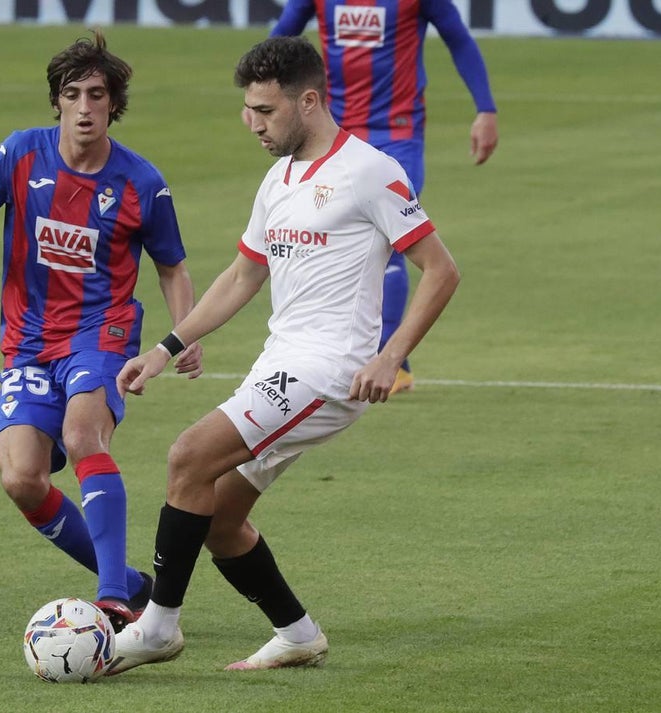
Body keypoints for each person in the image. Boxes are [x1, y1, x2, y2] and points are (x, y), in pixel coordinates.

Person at [106, 36, 460, 674]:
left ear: (309, 101)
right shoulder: (280, 177)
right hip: (280, 364)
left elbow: (440, 270)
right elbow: (243, 276)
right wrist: (166, 347)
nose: (253, 124)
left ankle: (157, 627)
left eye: (265, 111)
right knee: (218, 517)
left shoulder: (370, 171)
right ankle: (298, 634)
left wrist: (392, 354)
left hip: (325, 373)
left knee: (187, 457)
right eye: (249, 109)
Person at [0, 29, 203, 632]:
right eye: (73, 93)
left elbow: (172, 266)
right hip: (26, 342)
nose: (85, 107)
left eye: (97, 95)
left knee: (84, 436)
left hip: (100, 336)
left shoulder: (141, 182)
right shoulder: (19, 154)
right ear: (57, 100)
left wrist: (184, 335)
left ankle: (112, 598)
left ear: (113, 104)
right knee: (22, 479)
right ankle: (133, 583)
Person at [272, 0, 496, 393]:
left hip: (397, 133)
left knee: (390, 242)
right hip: (331, 132)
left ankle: (389, 363)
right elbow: (282, 38)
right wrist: (268, 97)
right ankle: (369, 355)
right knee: (330, 243)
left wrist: (485, 109)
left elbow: (458, 38)